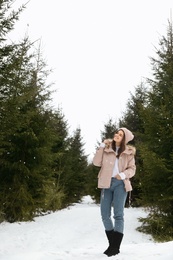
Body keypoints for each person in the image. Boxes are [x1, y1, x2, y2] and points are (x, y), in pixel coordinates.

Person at [92, 127, 136, 257]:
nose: (117, 135)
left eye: (120, 134)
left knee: (118, 215)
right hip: (106, 183)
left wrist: (122, 175)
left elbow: (132, 169)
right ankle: (113, 244)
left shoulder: (128, 153)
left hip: (120, 184)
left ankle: (115, 247)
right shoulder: (106, 149)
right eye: (117, 133)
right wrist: (101, 146)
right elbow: (96, 162)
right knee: (105, 215)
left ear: (124, 138)